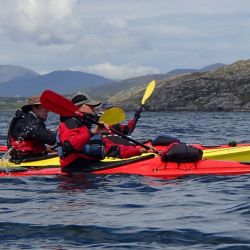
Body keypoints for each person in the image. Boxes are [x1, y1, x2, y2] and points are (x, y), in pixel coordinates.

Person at [57, 94, 151, 173]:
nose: (94, 108)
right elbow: (69, 146)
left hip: (89, 168)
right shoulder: (69, 124)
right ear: (79, 107)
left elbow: (111, 149)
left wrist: (140, 150)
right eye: (90, 106)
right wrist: (93, 132)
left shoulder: (90, 126)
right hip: (73, 173)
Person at [7, 95, 56, 162]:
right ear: (34, 108)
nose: (48, 110)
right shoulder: (26, 121)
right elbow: (50, 139)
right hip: (23, 161)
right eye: (45, 107)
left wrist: (45, 148)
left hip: (32, 157)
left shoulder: (32, 119)